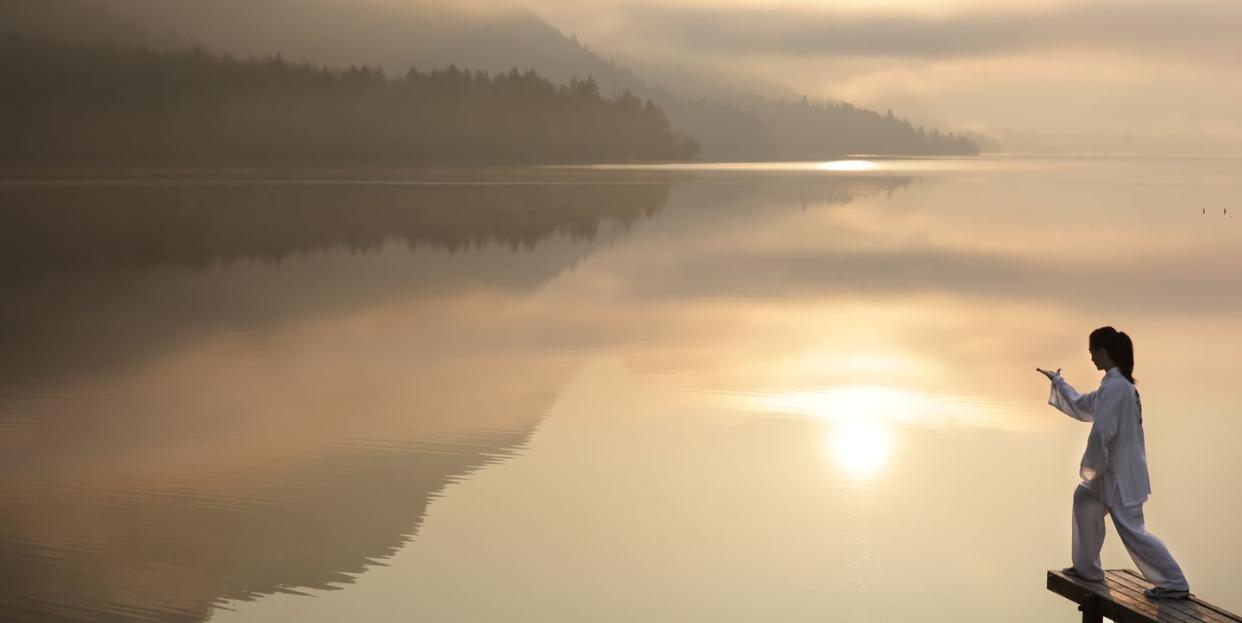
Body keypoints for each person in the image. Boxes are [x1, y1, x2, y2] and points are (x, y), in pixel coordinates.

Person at [1036, 326, 1191, 599]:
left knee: (1132, 529)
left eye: (1091, 352)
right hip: (1113, 472)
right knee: (1084, 500)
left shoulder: (1118, 387)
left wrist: (1091, 466)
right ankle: (1087, 568)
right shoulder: (1113, 384)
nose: (1090, 358)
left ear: (1101, 351)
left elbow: (1102, 430)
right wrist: (1059, 382)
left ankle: (1174, 581)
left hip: (1119, 474)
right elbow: (1085, 404)